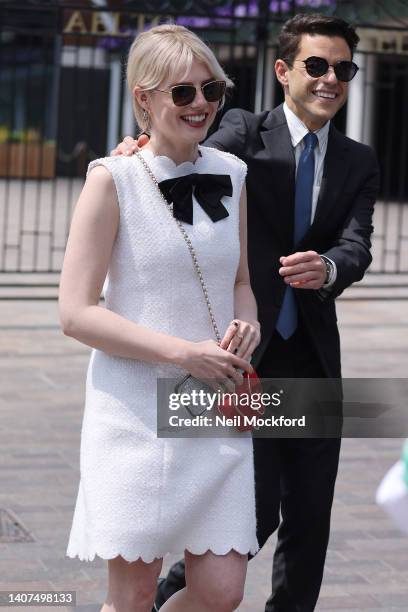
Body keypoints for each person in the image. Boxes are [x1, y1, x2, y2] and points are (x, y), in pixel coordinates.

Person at [113, 13, 380, 612]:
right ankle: (164, 601)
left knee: (310, 523)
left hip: (312, 359)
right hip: (244, 362)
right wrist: (138, 151)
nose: (330, 79)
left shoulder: (359, 161)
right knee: (249, 517)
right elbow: (185, 151)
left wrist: (331, 268)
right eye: (317, 65)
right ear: (284, 72)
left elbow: (357, 242)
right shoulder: (242, 130)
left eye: (343, 68)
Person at [59, 23, 262, 612]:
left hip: (213, 410)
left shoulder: (233, 172)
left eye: (212, 89)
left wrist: (244, 324)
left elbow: (242, 281)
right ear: (144, 100)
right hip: (134, 413)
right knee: (133, 597)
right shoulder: (111, 180)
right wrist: (182, 353)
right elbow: (74, 314)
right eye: (182, 92)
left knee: (221, 594)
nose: (201, 104)